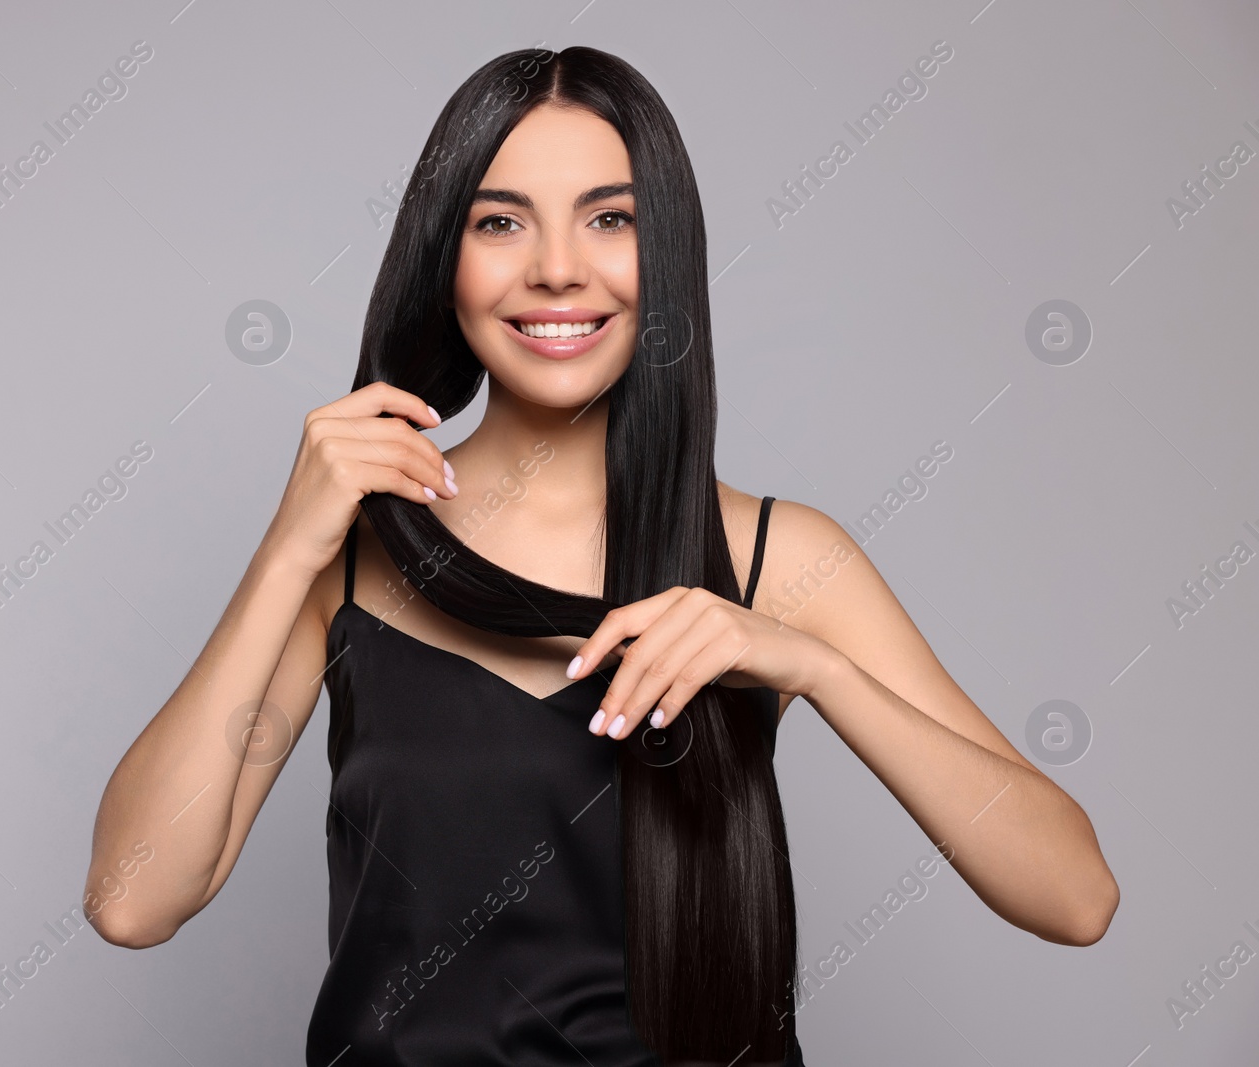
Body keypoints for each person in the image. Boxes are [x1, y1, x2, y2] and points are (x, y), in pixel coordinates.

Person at [84, 45, 1119, 1065]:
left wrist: (811, 664)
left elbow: (1074, 897)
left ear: (661, 251)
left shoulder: (775, 555)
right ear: (443, 254)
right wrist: (282, 552)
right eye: (499, 221)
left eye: (608, 218)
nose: (557, 268)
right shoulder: (349, 557)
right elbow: (132, 899)